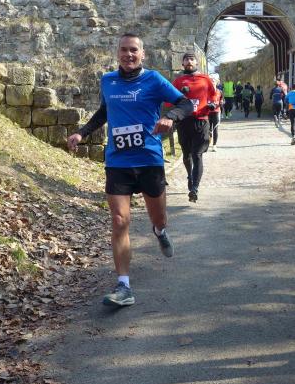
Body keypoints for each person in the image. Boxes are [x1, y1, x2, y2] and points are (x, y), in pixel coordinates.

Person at [67, 33, 193, 307]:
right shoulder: (107, 81)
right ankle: (123, 286)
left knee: (159, 218)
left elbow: (186, 103)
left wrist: (170, 117)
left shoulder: (154, 80)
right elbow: (104, 112)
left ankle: (159, 232)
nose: (128, 54)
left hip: (149, 160)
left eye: (134, 50)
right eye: (124, 50)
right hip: (118, 162)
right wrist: (82, 133)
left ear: (142, 54)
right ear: (117, 53)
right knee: (119, 220)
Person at [172, 52, 217, 203]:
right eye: (186, 59)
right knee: (186, 155)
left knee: (197, 154)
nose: (189, 61)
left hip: (201, 121)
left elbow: (214, 95)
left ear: (196, 63)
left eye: (192, 59)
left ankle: (194, 189)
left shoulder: (205, 79)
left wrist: (212, 104)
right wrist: (179, 95)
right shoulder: (178, 81)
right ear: (182, 63)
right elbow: (169, 101)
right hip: (184, 122)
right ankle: (190, 177)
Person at [208, 87, 223, 152]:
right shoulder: (206, 90)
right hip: (208, 112)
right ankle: (208, 142)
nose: (212, 83)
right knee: (208, 129)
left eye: (214, 82)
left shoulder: (219, 92)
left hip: (216, 112)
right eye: (211, 82)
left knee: (215, 128)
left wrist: (221, 102)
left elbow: (221, 99)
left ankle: (214, 145)